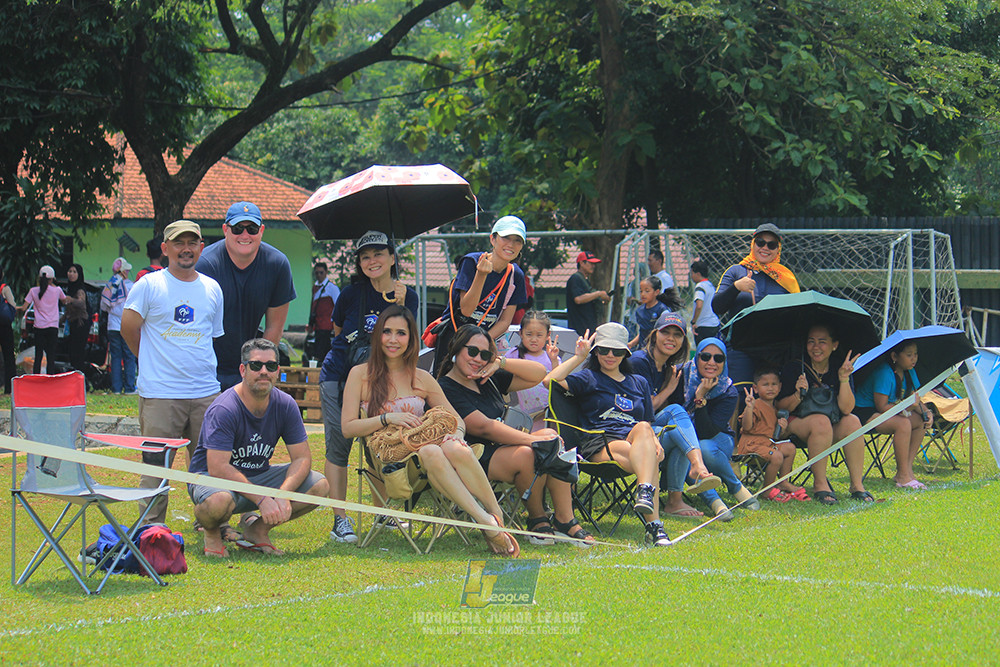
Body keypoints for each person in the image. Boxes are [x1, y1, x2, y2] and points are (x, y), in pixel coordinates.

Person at [341, 306, 518, 557]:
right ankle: (486, 521)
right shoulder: (360, 375)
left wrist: (455, 435)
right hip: (392, 463)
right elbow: (347, 428)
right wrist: (386, 417)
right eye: (387, 332)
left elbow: (457, 420)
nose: (393, 339)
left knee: (445, 447)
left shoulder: (422, 377)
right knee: (433, 451)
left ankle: (494, 518)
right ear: (377, 335)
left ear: (411, 339)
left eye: (401, 333)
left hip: (428, 456)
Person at [440, 324, 595, 546]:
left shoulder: (487, 378)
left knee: (550, 434)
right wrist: (533, 439)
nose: (477, 359)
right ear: (456, 349)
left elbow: (539, 374)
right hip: (472, 454)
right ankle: (537, 519)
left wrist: (499, 363)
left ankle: (565, 518)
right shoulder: (446, 387)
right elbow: (483, 427)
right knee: (530, 452)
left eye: (484, 354)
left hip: (504, 447)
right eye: (471, 351)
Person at [121, 220, 225, 526]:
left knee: (211, 467)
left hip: (205, 393)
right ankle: (151, 531)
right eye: (178, 243)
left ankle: (215, 524)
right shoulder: (149, 285)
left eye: (192, 243)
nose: (186, 249)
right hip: (160, 395)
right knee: (156, 468)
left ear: (201, 248)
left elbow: (211, 335)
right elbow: (129, 328)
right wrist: (148, 358)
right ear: (166, 249)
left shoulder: (211, 288)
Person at [188, 338, 329, 558]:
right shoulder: (225, 408)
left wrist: (282, 494)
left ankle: (257, 530)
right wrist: (262, 499)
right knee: (218, 501)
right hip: (213, 479)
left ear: (277, 371)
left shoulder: (286, 404)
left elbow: (302, 458)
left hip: (257, 476)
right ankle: (212, 532)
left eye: (270, 366)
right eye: (256, 365)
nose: (264, 371)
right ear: (243, 370)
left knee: (319, 485)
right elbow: (217, 467)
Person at [320, 230, 417, 544]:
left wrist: (401, 305)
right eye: (365, 256)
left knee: (378, 443)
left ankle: (383, 512)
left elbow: (408, 339)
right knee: (339, 445)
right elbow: (338, 331)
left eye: (378, 254)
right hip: (340, 375)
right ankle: (340, 520)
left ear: (392, 258)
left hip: (382, 379)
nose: (372, 261)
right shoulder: (350, 294)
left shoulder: (408, 295)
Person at [543, 322, 671, 547]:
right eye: (603, 349)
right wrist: (578, 357)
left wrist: (652, 440)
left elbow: (647, 422)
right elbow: (549, 381)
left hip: (636, 439)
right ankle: (654, 524)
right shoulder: (589, 377)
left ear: (626, 353)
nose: (610, 355)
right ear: (595, 351)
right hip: (601, 442)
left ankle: (644, 493)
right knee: (648, 458)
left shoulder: (639, 382)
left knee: (642, 428)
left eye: (617, 350)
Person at [195, 201, 296, 390]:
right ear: (225, 229)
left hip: (249, 368)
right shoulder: (205, 265)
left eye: (252, 228)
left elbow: (274, 326)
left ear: (262, 230)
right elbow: (195, 326)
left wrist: (257, 368)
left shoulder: (277, 264)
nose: (245, 235)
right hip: (206, 368)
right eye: (237, 229)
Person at [630, 311, 721, 518]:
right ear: (654, 335)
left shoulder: (672, 369)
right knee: (677, 414)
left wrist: (699, 396)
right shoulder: (639, 362)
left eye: (677, 335)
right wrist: (669, 390)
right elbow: (643, 410)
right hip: (634, 432)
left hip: (655, 430)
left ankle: (674, 502)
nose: (671, 338)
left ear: (683, 341)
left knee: (679, 430)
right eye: (666, 332)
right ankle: (698, 467)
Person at [776, 324, 872, 505]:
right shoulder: (795, 367)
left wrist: (844, 379)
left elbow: (846, 409)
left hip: (829, 424)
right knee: (821, 421)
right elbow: (780, 406)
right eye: (811, 342)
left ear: (834, 345)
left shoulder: (840, 366)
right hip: (795, 422)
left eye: (822, 342)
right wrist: (797, 394)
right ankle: (820, 483)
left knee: (852, 421)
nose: (816, 347)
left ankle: (857, 485)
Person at [675, 337, 761, 518]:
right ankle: (716, 503)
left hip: (719, 439)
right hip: (686, 439)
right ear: (697, 357)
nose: (711, 362)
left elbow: (708, 431)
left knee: (703, 448)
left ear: (724, 362)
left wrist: (700, 399)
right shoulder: (682, 377)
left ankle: (735, 486)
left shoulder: (727, 390)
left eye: (718, 358)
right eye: (705, 356)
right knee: (687, 450)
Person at [430, 216, 528, 374]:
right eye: (506, 238)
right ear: (493, 239)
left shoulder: (515, 275)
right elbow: (466, 310)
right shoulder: (472, 262)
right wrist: (481, 275)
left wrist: (483, 341)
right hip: (454, 337)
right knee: (444, 388)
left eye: (518, 240)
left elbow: (505, 321)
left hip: (483, 344)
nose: (511, 244)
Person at [713, 223, 800, 386]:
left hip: (774, 351)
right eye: (760, 242)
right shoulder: (736, 271)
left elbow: (796, 317)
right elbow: (716, 307)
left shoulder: (786, 278)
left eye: (771, 244)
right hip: (740, 349)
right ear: (753, 244)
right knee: (739, 397)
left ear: (778, 249)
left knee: (770, 401)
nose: (765, 248)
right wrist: (736, 287)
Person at [854, 340, 931, 490]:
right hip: (865, 411)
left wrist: (926, 412)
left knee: (921, 420)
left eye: (915, 354)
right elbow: (881, 406)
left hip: (891, 409)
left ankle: (907, 469)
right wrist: (907, 408)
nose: (914, 358)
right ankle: (903, 476)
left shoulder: (909, 371)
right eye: (909, 355)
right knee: (903, 423)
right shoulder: (884, 372)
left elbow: (914, 397)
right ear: (895, 356)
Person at [737, 368, 809, 501]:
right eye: (765, 385)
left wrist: (783, 429)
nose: (770, 388)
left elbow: (775, 437)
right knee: (776, 456)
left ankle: (783, 481)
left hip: (766, 444)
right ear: (756, 388)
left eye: (774, 384)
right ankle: (767, 490)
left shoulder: (775, 408)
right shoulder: (756, 405)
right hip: (751, 445)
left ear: (780, 387)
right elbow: (746, 427)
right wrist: (749, 408)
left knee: (790, 448)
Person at [505, 310, 561, 430]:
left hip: (547, 411)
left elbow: (558, 382)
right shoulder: (513, 354)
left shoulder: (551, 357)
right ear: (521, 333)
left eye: (539, 335)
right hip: (524, 411)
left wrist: (554, 360)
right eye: (529, 334)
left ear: (548, 335)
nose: (534, 339)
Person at [23, 265, 69, 375]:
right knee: (51, 355)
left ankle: (36, 378)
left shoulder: (33, 291)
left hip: (39, 327)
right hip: (53, 327)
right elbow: (65, 301)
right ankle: (50, 378)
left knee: (38, 355)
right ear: (52, 278)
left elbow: (24, 307)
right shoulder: (57, 290)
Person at [100, 257, 136, 393]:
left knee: (115, 357)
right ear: (124, 271)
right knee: (129, 356)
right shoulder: (131, 286)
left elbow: (104, 306)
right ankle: (129, 387)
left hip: (113, 326)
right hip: (127, 325)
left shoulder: (110, 285)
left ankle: (115, 388)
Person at [566, 251, 608, 338]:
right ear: (581, 263)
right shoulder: (576, 278)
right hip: (580, 329)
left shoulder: (585, 280)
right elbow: (578, 299)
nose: (593, 266)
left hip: (588, 328)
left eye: (594, 264)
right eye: (591, 263)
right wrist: (598, 294)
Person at [309, 261, 340, 365]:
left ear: (326, 272)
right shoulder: (315, 287)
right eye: (316, 273)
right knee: (317, 352)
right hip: (318, 325)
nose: (319, 275)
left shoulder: (332, 288)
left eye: (321, 272)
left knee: (325, 353)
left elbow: (339, 306)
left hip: (328, 327)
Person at [627, 275, 668, 349]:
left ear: (656, 292)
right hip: (643, 349)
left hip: (657, 350)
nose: (643, 294)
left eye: (647, 291)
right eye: (641, 291)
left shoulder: (662, 310)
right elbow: (643, 332)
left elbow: (665, 333)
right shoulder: (640, 311)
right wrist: (631, 344)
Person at [63, 263, 90, 373]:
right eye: (70, 271)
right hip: (72, 324)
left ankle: (81, 380)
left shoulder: (80, 289)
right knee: (72, 353)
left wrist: (71, 300)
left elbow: (81, 303)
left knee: (78, 353)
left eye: (74, 272)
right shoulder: (70, 288)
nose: (71, 274)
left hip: (81, 324)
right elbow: (69, 310)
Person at [689, 260, 720, 345]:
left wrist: (694, 321)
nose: (691, 276)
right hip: (714, 324)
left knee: (702, 352)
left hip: (703, 325)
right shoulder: (710, 286)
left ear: (698, 274)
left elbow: (699, 305)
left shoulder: (700, 286)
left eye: (692, 273)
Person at [1, 268, 19, 392]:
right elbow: (12, 305)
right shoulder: (4, 288)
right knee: (8, 356)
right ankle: (9, 387)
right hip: (4, 326)